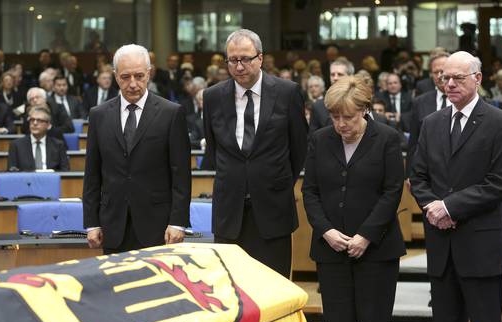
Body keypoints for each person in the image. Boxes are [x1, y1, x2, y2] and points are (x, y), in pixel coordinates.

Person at [410, 51, 502, 322]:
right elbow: (418, 177)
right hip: (442, 246)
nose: (450, 84)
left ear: (478, 79)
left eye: (458, 78)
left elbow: (499, 183)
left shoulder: (500, 123)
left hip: (480, 245)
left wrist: (450, 207)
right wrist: (434, 208)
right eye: (445, 78)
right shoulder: (432, 123)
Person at [302, 75, 405, 322]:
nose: (341, 124)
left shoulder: (386, 138)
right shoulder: (320, 139)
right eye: (335, 117)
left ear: (365, 110)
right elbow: (310, 192)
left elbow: (392, 191)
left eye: (347, 117)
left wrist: (366, 236)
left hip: (377, 252)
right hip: (331, 251)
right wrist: (326, 231)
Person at [203, 29, 308, 278]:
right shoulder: (213, 96)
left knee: (274, 287)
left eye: (245, 59)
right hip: (230, 212)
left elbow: (299, 148)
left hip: (273, 209)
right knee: (232, 291)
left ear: (260, 58)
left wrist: (275, 182)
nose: (239, 66)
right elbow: (216, 150)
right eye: (232, 60)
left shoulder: (287, 93)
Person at [83, 44, 191, 254]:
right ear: (115, 76)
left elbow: (181, 175)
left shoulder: (171, 113)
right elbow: (92, 174)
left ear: (149, 74)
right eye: (125, 77)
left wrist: (178, 222)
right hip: (112, 226)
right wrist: (92, 222)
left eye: (139, 76)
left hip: (158, 227)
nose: (133, 84)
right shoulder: (99, 115)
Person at [406, 50, 450, 177]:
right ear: (431, 74)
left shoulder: (462, 100)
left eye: (444, 71)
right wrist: (409, 175)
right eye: (436, 72)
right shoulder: (420, 102)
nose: (440, 75)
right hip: (427, 173)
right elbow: (413, 142)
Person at [8, 106, 69, 172]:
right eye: (32, 120)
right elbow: (12, 172)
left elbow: (65, 171)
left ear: (48, 125)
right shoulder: (16, 145)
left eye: (39, 120)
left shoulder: (58, 145)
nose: (35, 123)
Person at [308, 57, 355, 133]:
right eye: (332, 75)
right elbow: (312, 139)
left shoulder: (358, 102)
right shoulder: (318, 106)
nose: (335, 78)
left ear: (350, 77)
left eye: (340, 74)